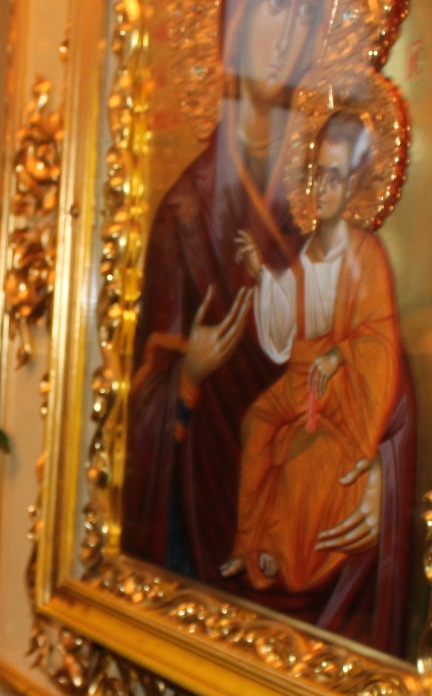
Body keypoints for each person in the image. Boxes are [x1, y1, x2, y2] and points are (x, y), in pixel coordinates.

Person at [123, 0, 325, 587]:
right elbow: (138, 415)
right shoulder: (185, 216)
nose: (286, 37)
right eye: (275, 9)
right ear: (234, 29)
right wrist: (188, 374)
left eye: (305, 16)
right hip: (207, 516)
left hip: (306, 514)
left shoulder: (328, 198)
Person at [218, 112, 406, 605]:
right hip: (300, 378)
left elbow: (378, 337)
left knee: (304, 454)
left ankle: (277, 552)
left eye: (335, 178)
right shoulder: (307, 250)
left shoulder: (365, 255)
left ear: (354, 186)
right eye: (318, 174)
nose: (323, 188)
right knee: (256, 423)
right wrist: (263, 273)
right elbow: (287, 325)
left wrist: (338, 356)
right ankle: (245, 543)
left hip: (339, 390)